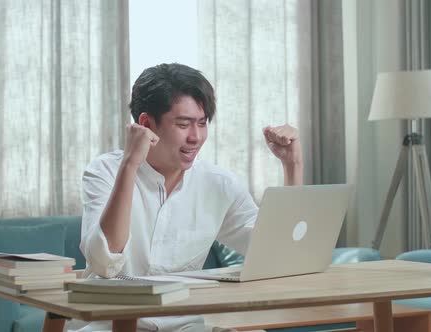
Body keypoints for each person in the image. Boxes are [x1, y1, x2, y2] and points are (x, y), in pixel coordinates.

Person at [66, 63, 304, 332]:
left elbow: (278, 252)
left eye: (202, 124)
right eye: (183, 124)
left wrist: (292, 166)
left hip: (185, 323)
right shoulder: (106, 171)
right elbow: (104, 262)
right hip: (109, 323)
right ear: (146, 124)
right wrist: (130, 164)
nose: (196, 137)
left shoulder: (218, 184)